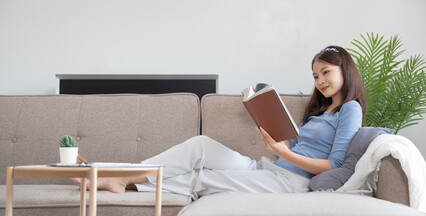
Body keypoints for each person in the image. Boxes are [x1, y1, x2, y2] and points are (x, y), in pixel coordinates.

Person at [73, 46, 366, 200]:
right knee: (201, 147)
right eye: (315, 76)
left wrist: (286, 152)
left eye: (325, 72)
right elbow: (292, 151)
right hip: (269, 169)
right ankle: (112, 173)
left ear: (345, 70)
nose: (320, 81)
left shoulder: (350, 109)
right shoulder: (319, 111)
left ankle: (118, 180)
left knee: (200, 178)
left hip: (291, 184)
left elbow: (336, 165)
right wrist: (273, 130)